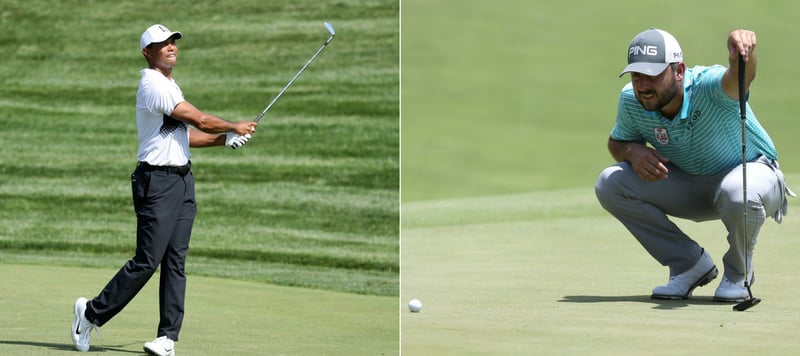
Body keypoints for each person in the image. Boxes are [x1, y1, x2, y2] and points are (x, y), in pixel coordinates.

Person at [71, 24, 257, 354]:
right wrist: (232, 125)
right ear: (147, 52)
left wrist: (224, 139)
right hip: (156, 182)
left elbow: (184, 135)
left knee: (175, 261)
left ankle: (167, 338)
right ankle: (89, 313)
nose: (170, 47)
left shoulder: (170, 84)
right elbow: (198, 119)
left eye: (172, 41)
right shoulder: (153, 84)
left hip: (183, 181)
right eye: (161, 44)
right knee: (147, 260)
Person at [595, 28, 794, 302]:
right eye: (637, 76)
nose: (643, 86)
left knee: (738, 192)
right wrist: (631, 151)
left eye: (652, 75)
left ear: (679, 71)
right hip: (691, 185)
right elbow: (616, 143)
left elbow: (741, 78)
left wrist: (743, 54)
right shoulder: (632, 100)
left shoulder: (708, 86)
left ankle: (738, 275)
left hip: (754, 176)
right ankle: (689, 264)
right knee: (610, 183)